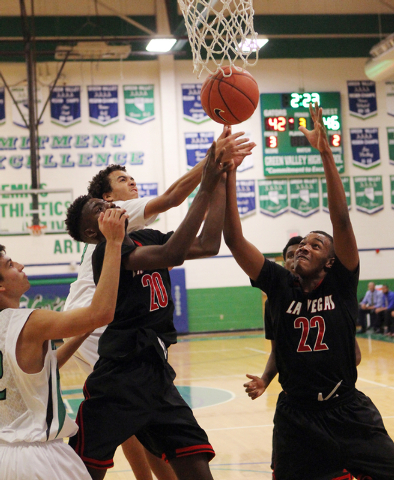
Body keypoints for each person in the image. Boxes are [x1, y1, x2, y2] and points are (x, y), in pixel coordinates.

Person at [224, 103, 394, 479]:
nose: (305, 247)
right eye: (302, 244)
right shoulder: (278, 286)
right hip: (297, 416)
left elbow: (340, 217)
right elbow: (234, 238)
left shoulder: (341, 284)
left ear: (330, 262)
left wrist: (325, 152)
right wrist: (229, 176)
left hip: (348, 410)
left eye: (316, 245)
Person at [64, 126, 254, 480]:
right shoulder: (107, 249)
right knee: (84, 467)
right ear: (92, 231)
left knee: (191, 459)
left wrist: (224, 179)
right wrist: (209, 174)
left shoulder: (142, 237)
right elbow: (174, 250)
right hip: (116, 366)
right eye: (101, 205)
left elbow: (206, 244)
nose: (110, 206)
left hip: (155, 371)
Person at [0, 208, 127, 480]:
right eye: (10, 265)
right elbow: (102, 313)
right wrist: (115, 243)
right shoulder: (30, 322)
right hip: (37, 457)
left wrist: (83, 332)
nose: (20, 266)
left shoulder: (10, 329)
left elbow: (40, 370)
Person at [246, 236, 359, 480]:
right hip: (295, 407)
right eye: (289, 255)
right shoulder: (277, 300)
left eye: (303, 251)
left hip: (334, 404)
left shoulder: (332, 293)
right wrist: (265, 379)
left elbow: (355, 354)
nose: (294, 258)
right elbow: (278, 351)